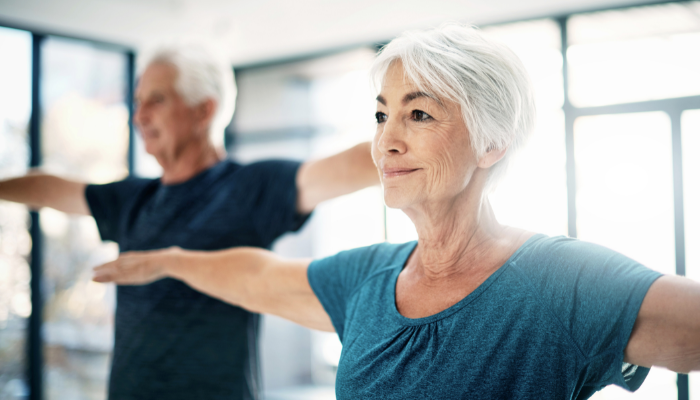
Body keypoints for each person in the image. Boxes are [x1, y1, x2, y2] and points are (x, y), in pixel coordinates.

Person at [92, 25, 700, 399]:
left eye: (419, 114)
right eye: (382, 114)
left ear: (491, 142)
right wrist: (170, 259)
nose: (385, 142)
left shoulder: (562, 282)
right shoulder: (370, 280)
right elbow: (255, 276)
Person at [0, 44, 378, 400]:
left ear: (203, 111)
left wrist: (421, 142)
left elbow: (347, 167)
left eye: (157, 100)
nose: (139, 115)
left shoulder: (248, 188)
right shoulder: (132, 198)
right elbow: (49, 189)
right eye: (137, 102)